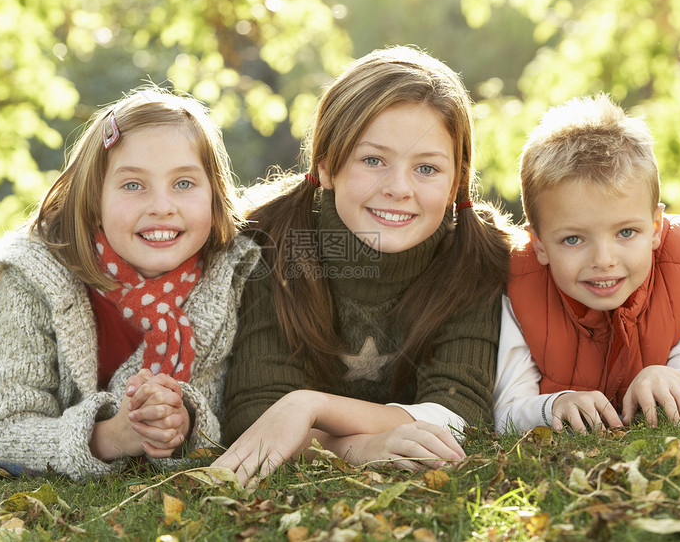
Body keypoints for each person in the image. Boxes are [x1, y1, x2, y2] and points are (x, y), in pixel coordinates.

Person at [213, 46, 518, 483]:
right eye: (373, 160)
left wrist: (310, 406)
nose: (398, 188)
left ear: (457, 181)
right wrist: (359, 448)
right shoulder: (271, 243)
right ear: (328, 164)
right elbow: (258, 416)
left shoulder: (475, 257)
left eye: (427, 168)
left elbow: (456, 414)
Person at [0, 85, 259, 480]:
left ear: (214, 196)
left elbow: (237, 410)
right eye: (133, 185)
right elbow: (1, 434)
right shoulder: (27, 281)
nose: (161, 206)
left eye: (184, 183)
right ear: (94, 199)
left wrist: (184, 422)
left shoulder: (231, 274)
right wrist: (112, 436)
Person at [495, 93, 680, 435]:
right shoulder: (519, 288)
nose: (603, 261)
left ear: (654, 228)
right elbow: (508, 410)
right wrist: (553, 406)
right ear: (539, 244)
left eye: (626, 232)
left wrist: (677, 378)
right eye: (573, 239)